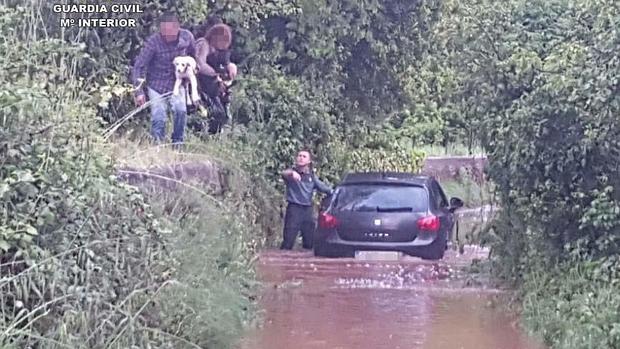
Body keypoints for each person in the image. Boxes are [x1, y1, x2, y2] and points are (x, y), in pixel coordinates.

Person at [131, 12, 196, 146]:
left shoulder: (187, 37)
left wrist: (194, 69)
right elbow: (139, 66)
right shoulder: (154, 42)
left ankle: (177, 144)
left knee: (181, 111)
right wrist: (139, 92)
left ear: (177, 28)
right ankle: (158, 147)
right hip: (157, 83)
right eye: (163, 32)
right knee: (158, 117)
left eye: (169, 32)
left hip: (178, 83)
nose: (166, 36)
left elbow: (193, 56)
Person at [280, 150, 334, 250]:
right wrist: (292, 173)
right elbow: (283, 173)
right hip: (294, 209)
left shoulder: (311, 177)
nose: (301, 158)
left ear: (309, 162)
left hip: (307, 210)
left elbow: (325, 189)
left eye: (304, 156)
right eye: (299, 155)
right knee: (288, 241)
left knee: (310, 243)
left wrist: (336, 194)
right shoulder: (291, 174)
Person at [193, 18, 238, 134]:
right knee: (213, 113)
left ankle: (213, 135)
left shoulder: (219, 52)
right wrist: (215, 75)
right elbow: (199, 64)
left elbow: (225, 63)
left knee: (222, 114)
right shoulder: (203, 44)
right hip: (201, 86)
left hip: (214, 88)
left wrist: (230, 67)